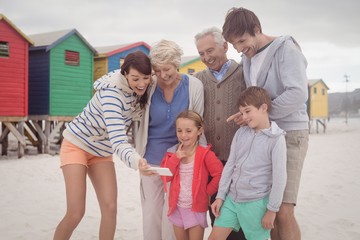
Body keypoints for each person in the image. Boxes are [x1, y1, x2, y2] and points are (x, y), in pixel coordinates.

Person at [222, 7, 309, 240]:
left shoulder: (285, 49)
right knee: (267, 208)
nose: (239, 49)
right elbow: (257, 101)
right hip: (265, 136)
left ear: (257, 30)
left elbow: (299, 93)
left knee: (283, 209)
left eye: (242, 41)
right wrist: (248, 116)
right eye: (234, 45)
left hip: (291, 132)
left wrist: (263, 117)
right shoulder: (248, 58)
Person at [53, 51, 152, 240]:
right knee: (76, 212)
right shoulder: (112, 96)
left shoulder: (143, 87)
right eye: (135, 78)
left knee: (110, 207)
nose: (141, 83)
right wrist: (136, 161)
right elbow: (118, 140)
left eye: (146, 78)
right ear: (125, 74)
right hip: (77, 145)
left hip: (101, 151)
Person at [136, 39, 204, 240]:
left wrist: (196, 160)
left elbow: (197, 124)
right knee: (151, 214)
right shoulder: (148, 86)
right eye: (156, 70)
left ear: (177, 63)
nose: (162, 76)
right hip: (150, 161)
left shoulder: (194, 86)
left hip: (180, 161)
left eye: (167, 69)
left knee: (172, 215)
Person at [208, 86, 287, 240]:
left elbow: (280, 178)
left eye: (248, 111)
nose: (244, 117)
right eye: (242, 112)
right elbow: (230, 166)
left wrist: (272, 210)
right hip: (231, 200)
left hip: (256, 204)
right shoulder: (240, 133)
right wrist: (220, 196)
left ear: (263, 108)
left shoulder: (276, 139)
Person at [194, 26, 247, 240]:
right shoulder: (198, 80)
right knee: (217, 217)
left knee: (241, 221)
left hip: (241, 162)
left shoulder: (245, 73)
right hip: (212, 165)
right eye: (201, 53)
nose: (206, 57)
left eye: (210, 50)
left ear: (224, 46)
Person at [160, 110, 224, 240]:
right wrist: (175, 159)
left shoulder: (205, 153)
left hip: (196, 209)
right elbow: (165, 177)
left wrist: (207, 191)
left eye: (189, 131)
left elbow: (219, 173)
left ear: (199, 131)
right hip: (176, 208)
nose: (183, 135)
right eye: (179, 131)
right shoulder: (172, 153)